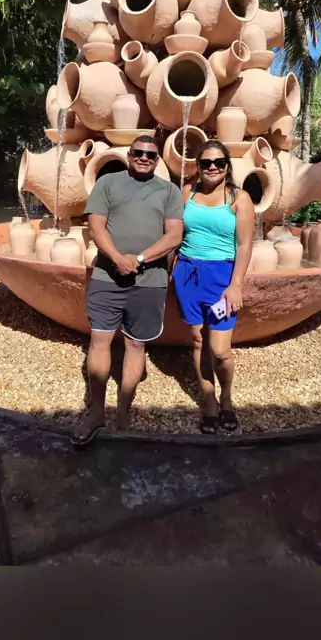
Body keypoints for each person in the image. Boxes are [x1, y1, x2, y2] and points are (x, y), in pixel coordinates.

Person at [70, 136, 184, 446]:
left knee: (136, 345)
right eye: (138, 153)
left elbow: (174, 235)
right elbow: (96, 226)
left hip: (150, 281)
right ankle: (96, 412)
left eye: (151, 155)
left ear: (158, 160)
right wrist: (117, 258)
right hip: (107, 277)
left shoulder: (169, 191)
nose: (144, 158)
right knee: (99, 340)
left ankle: (123, 412)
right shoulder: (108, 183)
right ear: (129, 155)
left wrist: (140, 259)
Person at [172, 139, 255, 433]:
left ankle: (227, 398)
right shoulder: (187, 192)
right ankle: (209, 402)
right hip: (188, 274)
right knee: (198, 341)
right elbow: (175, 234)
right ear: (198, 166)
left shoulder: (239, 198)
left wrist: (236, 285)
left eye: (219, 162)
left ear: (227, 166)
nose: (212, 168)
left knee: (220, 350)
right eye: (206, 163)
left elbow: (244, 245)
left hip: (222, 278)